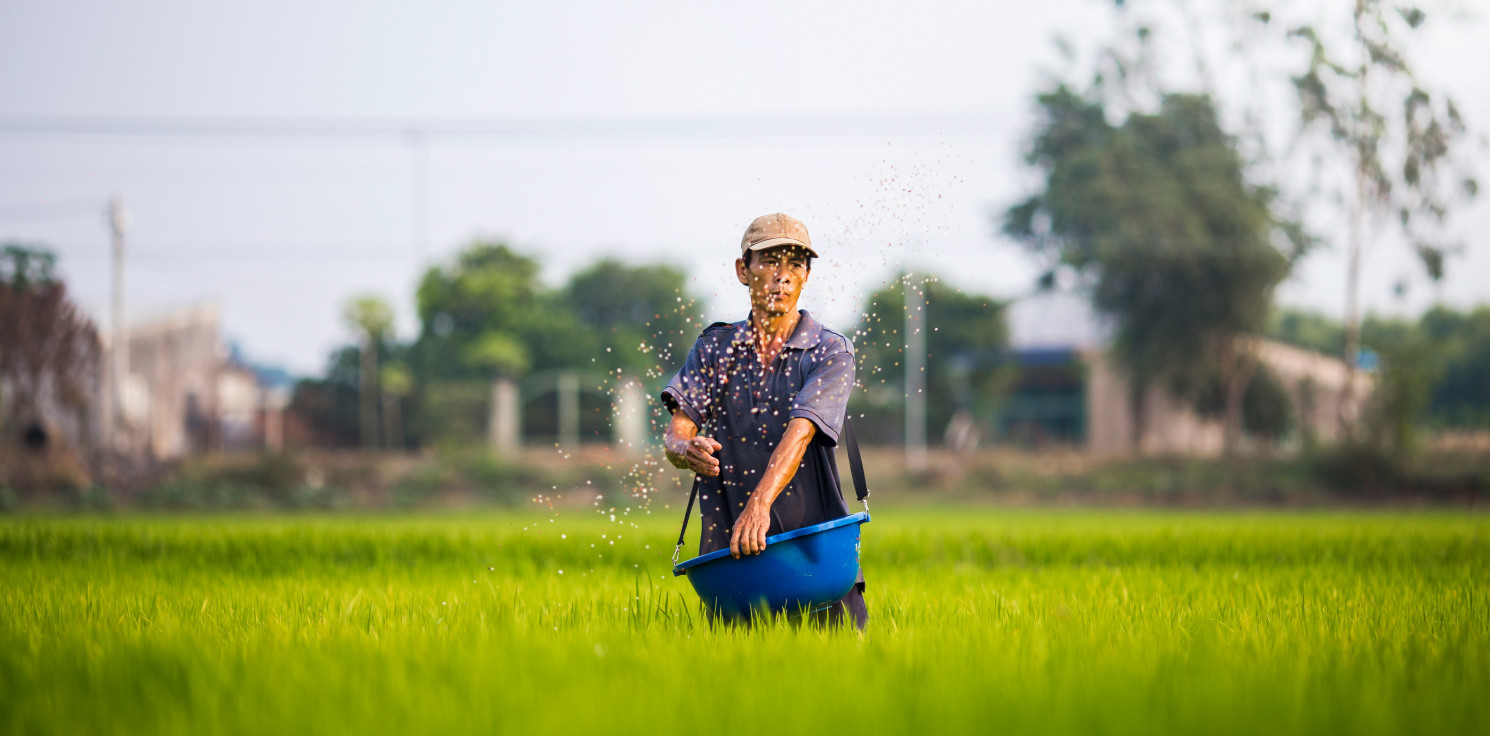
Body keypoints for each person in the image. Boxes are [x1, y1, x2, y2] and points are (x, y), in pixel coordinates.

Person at [660, 212, 867, 630]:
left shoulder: (829, 351)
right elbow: (676, 433)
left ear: (807, 275)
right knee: (741, 688)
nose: (782, 276)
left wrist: (759, 505)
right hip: (734, 562)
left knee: (846, 684)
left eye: (795, 264)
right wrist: (687, 450)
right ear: (743, 270)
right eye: (770, 262)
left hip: (818, 556)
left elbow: (800, 432)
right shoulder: (714, 349)